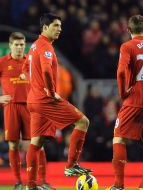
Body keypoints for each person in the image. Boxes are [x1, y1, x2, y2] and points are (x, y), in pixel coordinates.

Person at [24, 13, 92, 190]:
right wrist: (51, 91)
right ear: (45, 27)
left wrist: (36, 86)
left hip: (33, 99)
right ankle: (71, 165)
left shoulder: (33, 47)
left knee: (36, 142)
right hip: (45, 99)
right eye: (55, 26)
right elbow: (46, 70)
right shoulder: (46, 47)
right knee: (83, 121)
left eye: (60, 26)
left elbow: (25, 69)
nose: (59, 29)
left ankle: (31, 185)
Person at [0, 32, 54, 190]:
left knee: (38, 144)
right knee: (13, 145)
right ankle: (18, 182)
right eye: (16, 44)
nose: (19, 47)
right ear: (10, 45)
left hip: (30, 107)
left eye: (22, 44)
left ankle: (43, 181)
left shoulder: (31, 61)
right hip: (11, 107)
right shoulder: (1, 63)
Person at [106, 15, 143, 190]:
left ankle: (118, 185)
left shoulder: (127, 46)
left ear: (128, 30)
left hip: (135, 98)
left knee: (119, 137)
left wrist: (124, 93)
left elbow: (121, 72)